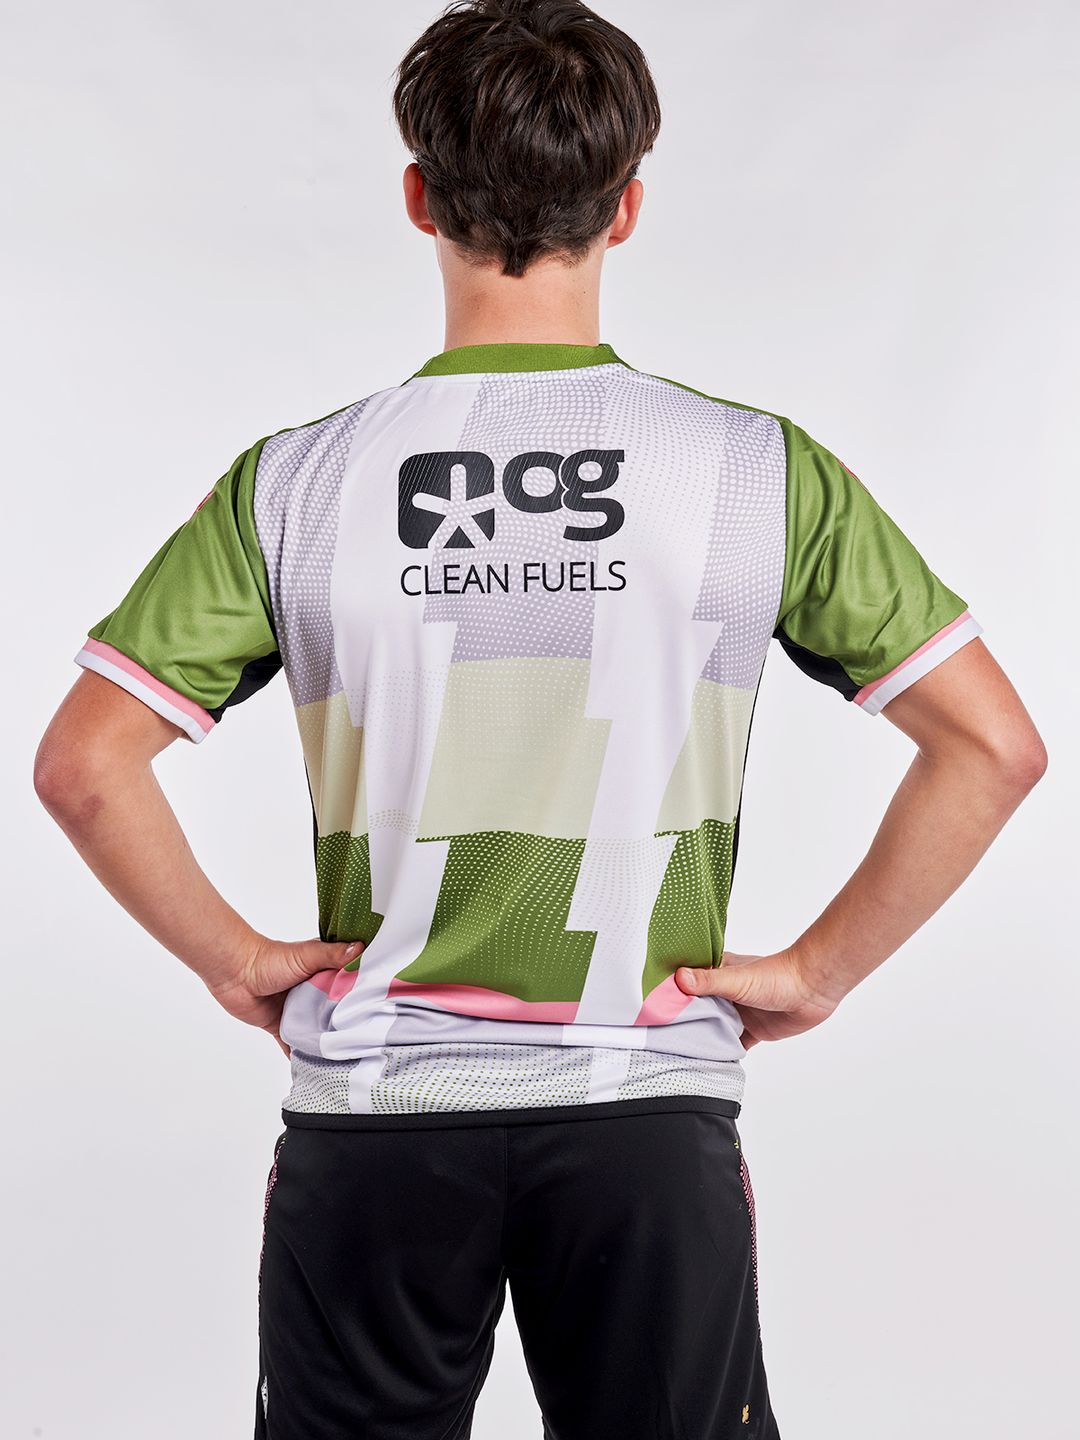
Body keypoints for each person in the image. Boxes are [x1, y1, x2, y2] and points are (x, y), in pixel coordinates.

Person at [33, 1, 1048, 1436]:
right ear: (626, 207)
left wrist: (235, 960)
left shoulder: (297, 483)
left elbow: (85, 767)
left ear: (417, 198)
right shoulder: (754, 472)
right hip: (646, 1109)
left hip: (377, 1125)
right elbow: (994, 747)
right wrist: (818, 974)